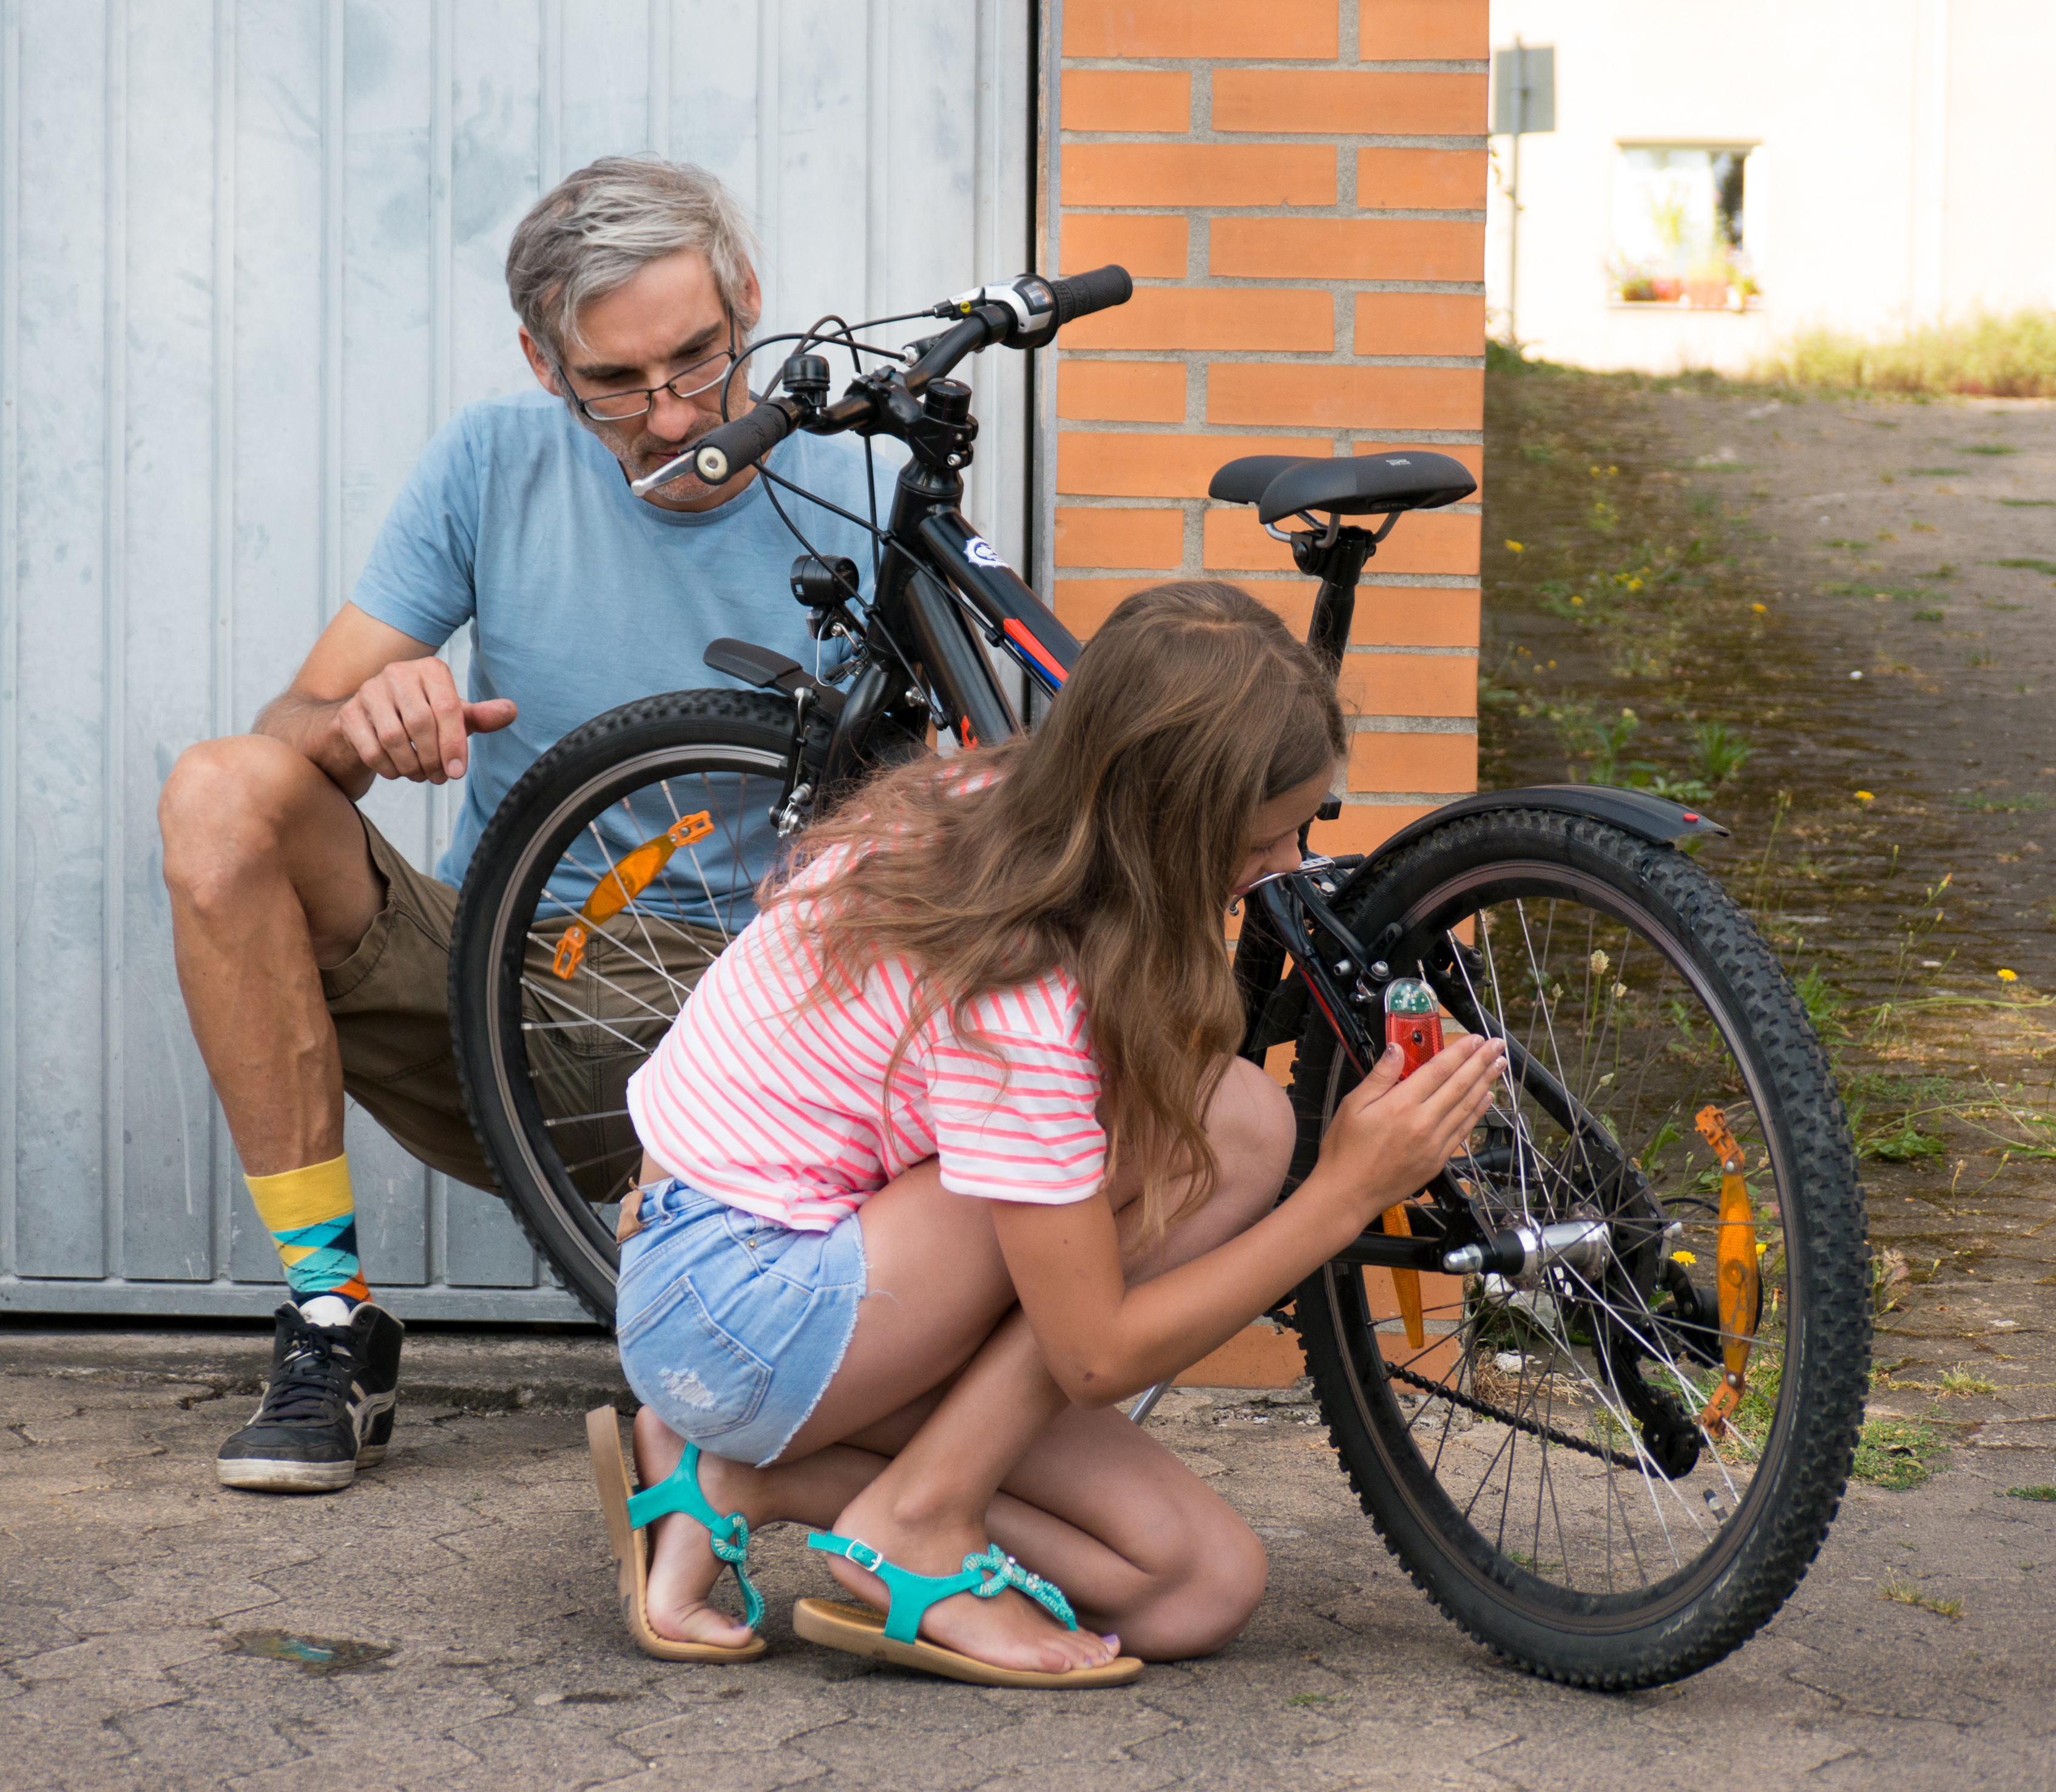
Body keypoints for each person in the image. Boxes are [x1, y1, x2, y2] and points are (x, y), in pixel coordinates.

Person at [589, 581, 1505, 1687]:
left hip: (754, 1273)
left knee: (1201, 1581)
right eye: (1263, 839)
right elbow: (1095, 1355)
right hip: (742, 1307)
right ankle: (910, 1518)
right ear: (1167, 824)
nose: (1284, 866)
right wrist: (1348, 1191)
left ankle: (746, 1479)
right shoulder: (1020, 987)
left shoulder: (1020, 801)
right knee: (1207, 1136)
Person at [158, 157, 884, 1495]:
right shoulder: (491, 461)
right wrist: (362, 715)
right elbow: (289, 724)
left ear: (751, 306)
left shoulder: (869, 489)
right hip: (508, 995)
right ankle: (330, 1321)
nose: (671, 418)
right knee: (221, 791)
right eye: (617, 384)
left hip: (763, 1044)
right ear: (543, 364)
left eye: (698, 361)